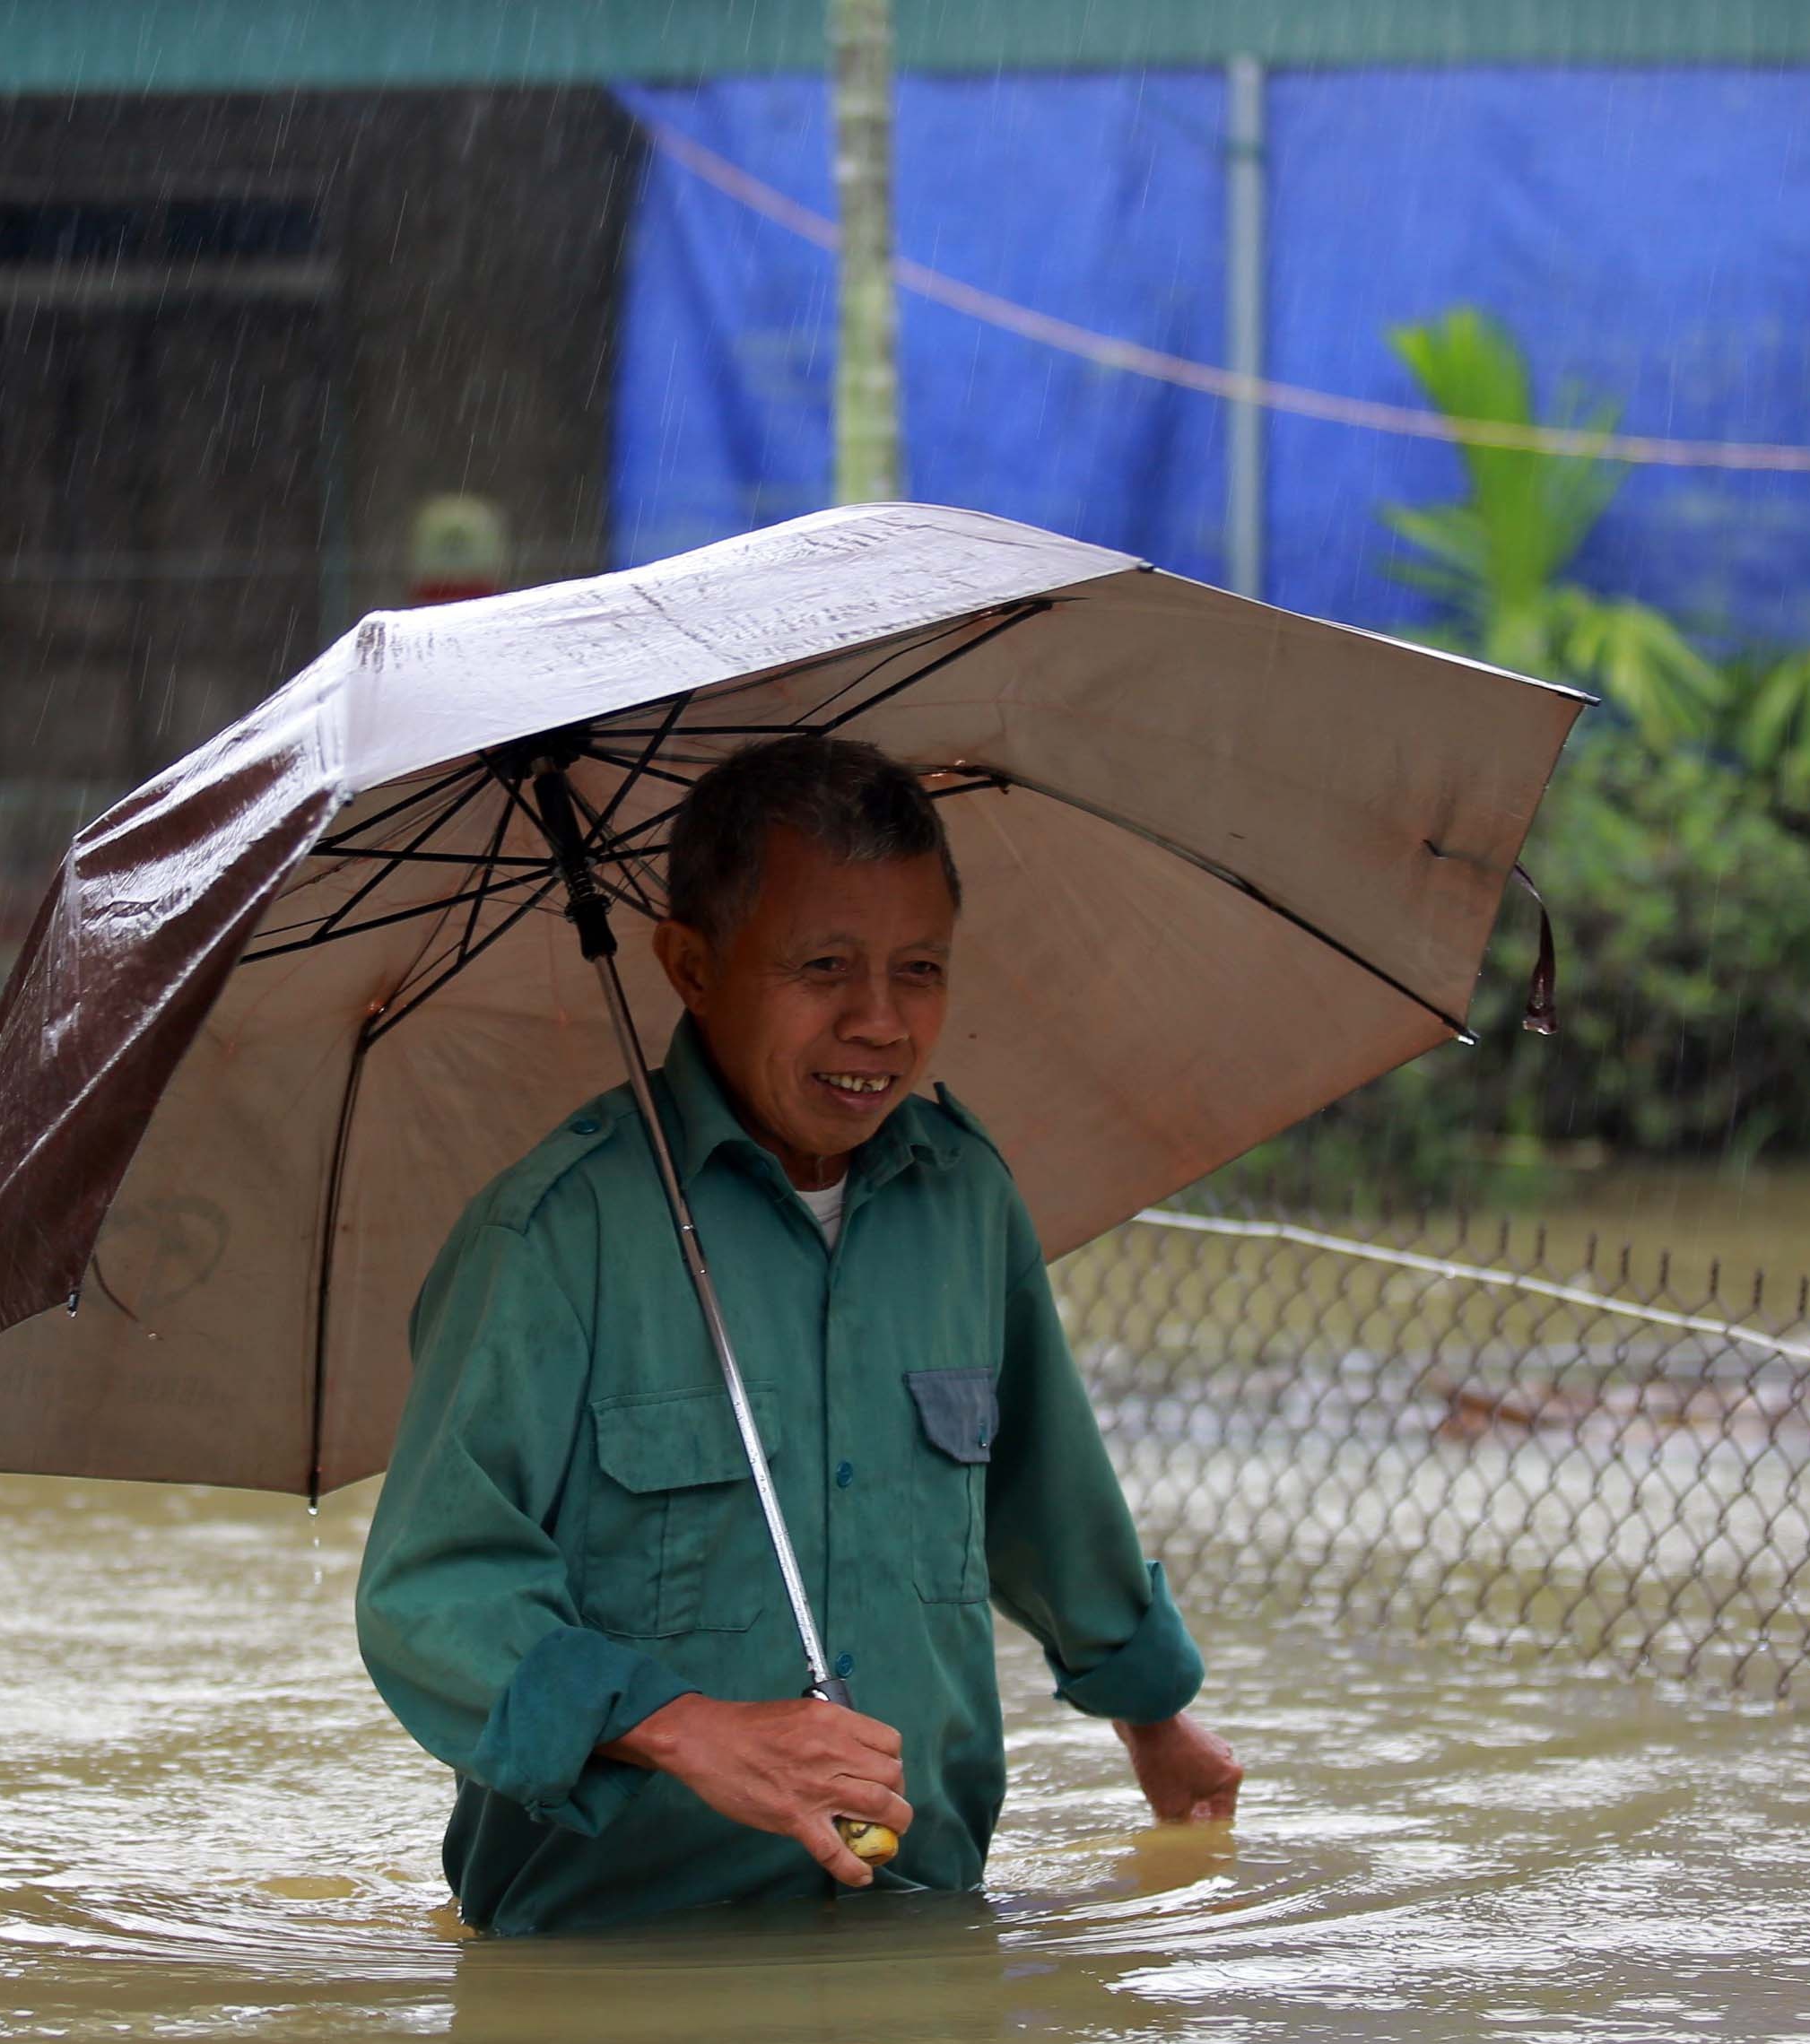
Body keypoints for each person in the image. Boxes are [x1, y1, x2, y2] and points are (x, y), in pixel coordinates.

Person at [357, 736, 1240, 1937]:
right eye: (823, 966)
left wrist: (1153, 1714)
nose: (878, 1021)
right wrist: (687, 1729)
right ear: (691, 966)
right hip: (614, 1961)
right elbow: (431, 1595)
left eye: (918, 968)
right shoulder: (554, 1238)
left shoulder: (965, 1200)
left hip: (920, 1927)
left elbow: (1040, 1490)